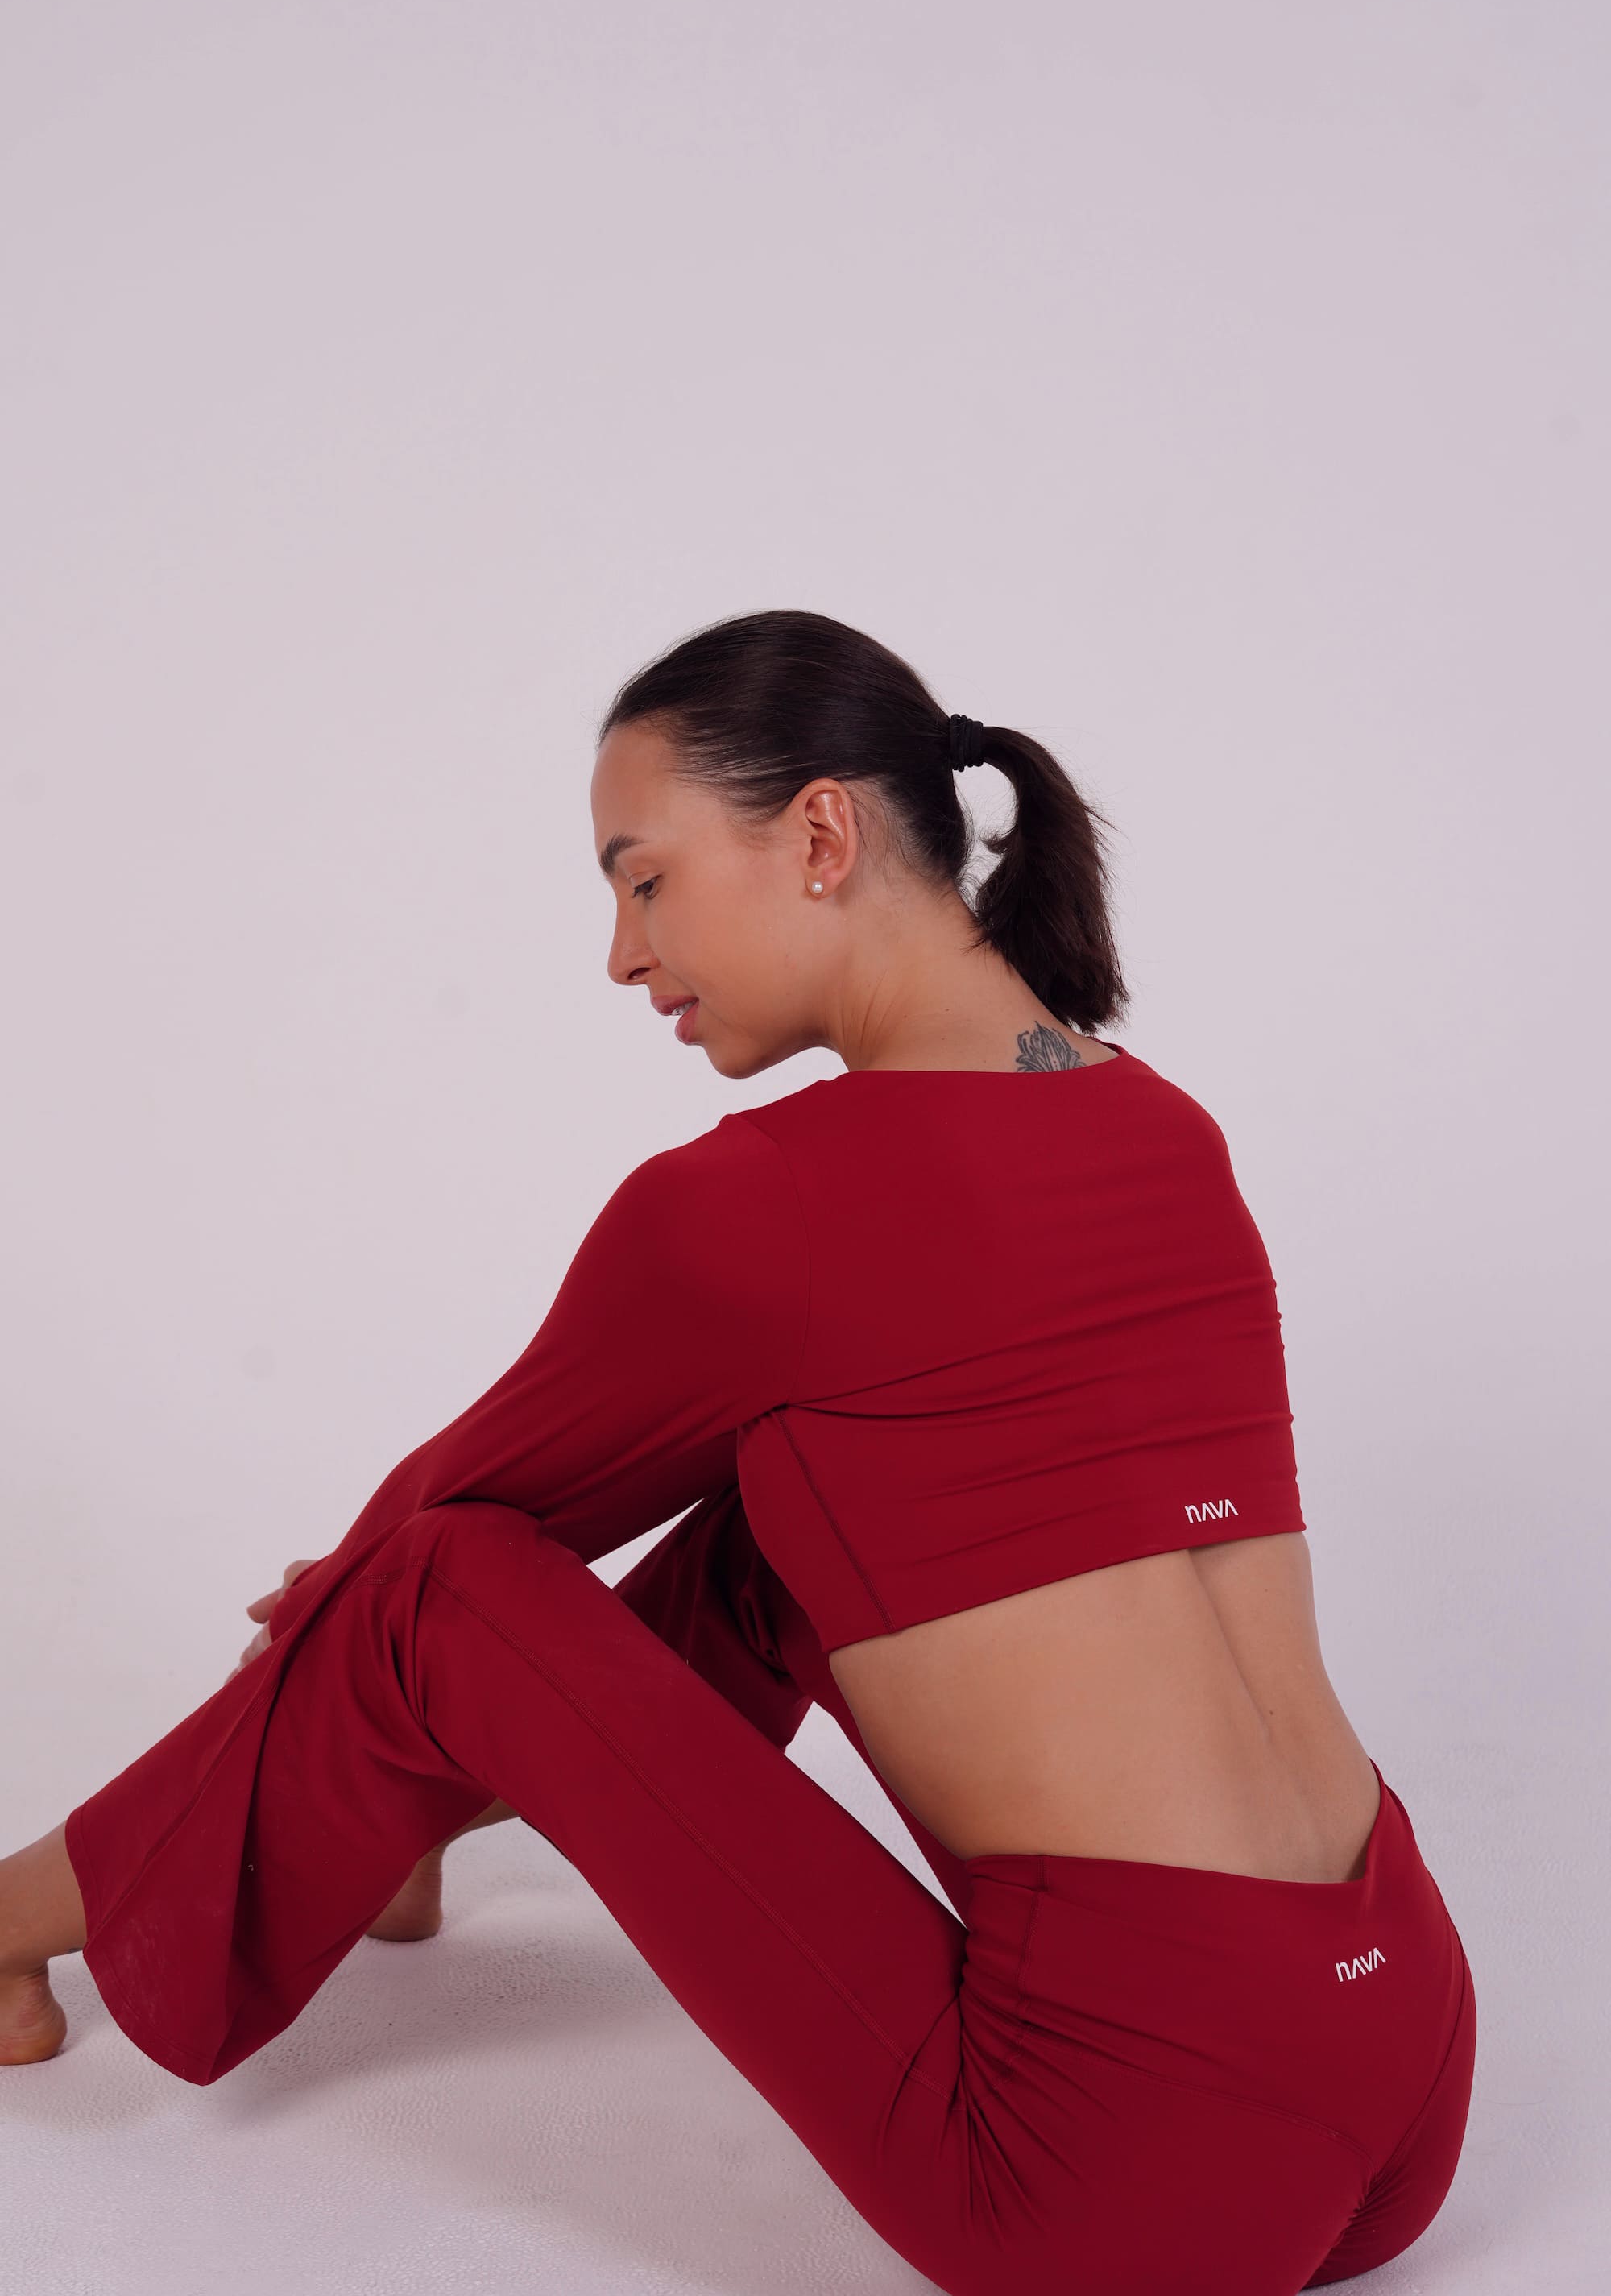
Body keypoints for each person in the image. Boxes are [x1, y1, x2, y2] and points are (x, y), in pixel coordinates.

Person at [0, 610, 1475, 2296]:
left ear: (823, 836)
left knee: (420, 1592)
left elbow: (446, 1536)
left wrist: (337, 1651)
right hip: (1408, 2047)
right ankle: (386, 1833)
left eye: (643, 879)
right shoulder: (1164, 1126)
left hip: (1132, 2174)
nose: (622, 956)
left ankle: (11, 1923)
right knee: (797, 1524)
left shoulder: (755, 1210)